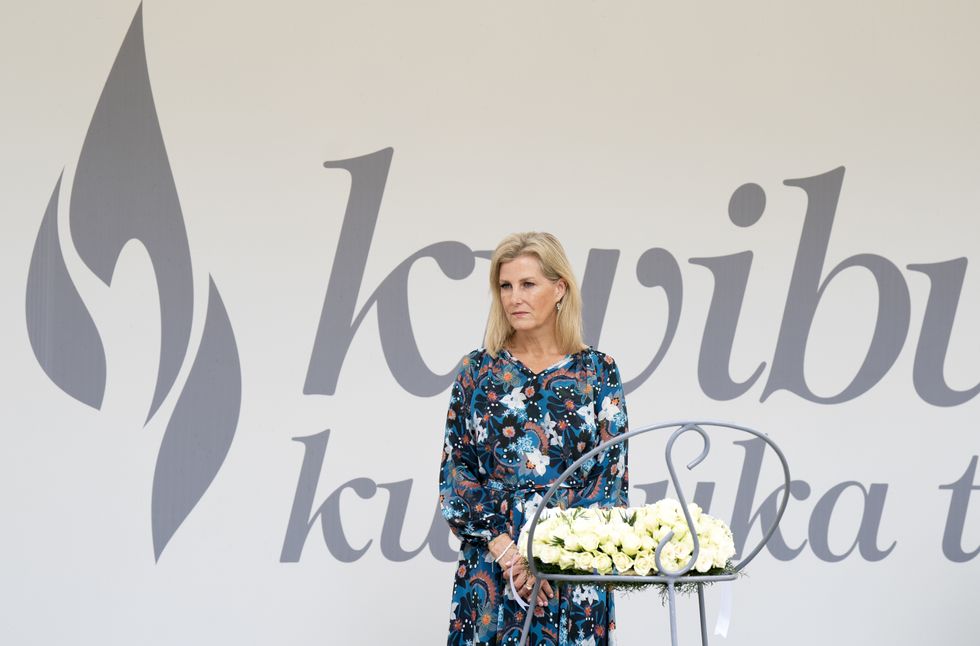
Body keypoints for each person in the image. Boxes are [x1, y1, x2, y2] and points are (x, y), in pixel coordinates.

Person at [440, 232, 629, 645]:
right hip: (491, 570)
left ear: (559, 288)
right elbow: (458, 474)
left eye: (528, 285)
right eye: (505, 286)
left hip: (570, 574)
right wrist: (511, 554)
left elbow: (608, 481)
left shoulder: (598, 372)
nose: (514, 298)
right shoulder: (476, 372)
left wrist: (546, 556)